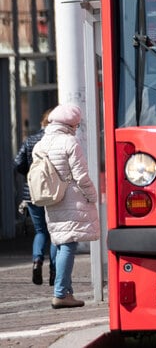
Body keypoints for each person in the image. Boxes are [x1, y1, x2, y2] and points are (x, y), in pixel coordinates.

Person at [31, 103, 100, 309]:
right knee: (69, 245)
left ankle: (67, 292)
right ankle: (61, 293)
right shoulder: (70, 142)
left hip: (51, 199)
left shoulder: (40, 144)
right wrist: (92, 195)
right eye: (76, 124)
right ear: (71, 124)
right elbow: (81, 176)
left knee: (61, 243)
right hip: (72, 198)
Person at [13, 108, 57, 286]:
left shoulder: (30, 140)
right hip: (54, 193)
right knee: (55, 233)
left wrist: (30, 175)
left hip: (32, 192)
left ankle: (37, 261)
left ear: (42, 123)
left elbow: (18, 163)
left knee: (40, 231)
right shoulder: (56, 141)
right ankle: (54, 271)